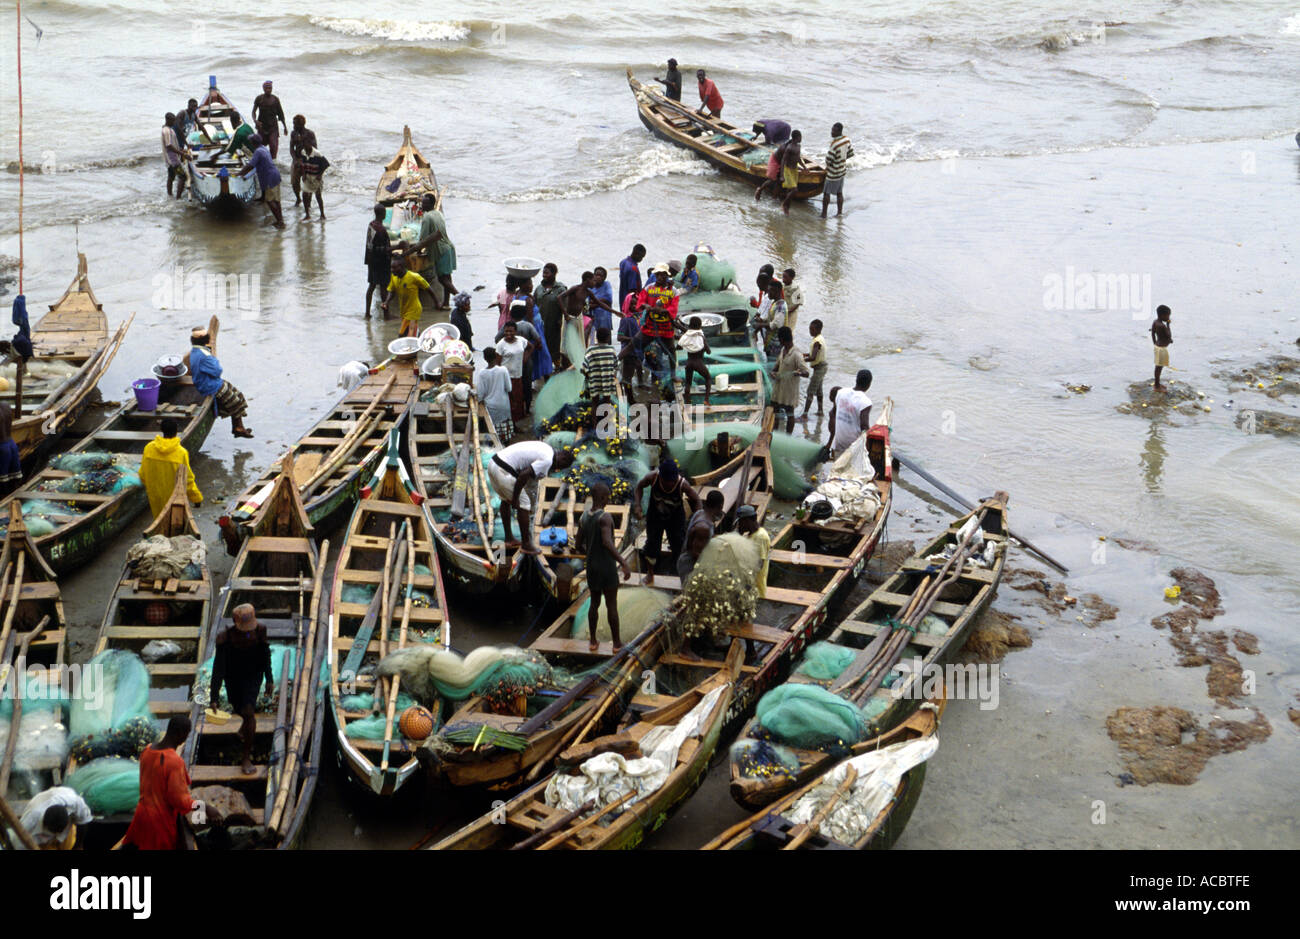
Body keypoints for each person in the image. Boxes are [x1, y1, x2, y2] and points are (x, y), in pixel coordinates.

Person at [122, 716, 198, 850]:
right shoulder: (174, 762)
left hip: (141, 817)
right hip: (159, 824)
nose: (186, 737)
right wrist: (203, 806)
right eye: (187, 733)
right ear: (180, 733)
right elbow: (179, 801)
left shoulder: (147, 750)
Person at [488, 441, 575, 553]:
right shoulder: (547, 460)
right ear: (561, 460)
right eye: (561, 467)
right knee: (524, 504)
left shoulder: (547, 448)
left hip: (493, 463)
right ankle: (526, 544)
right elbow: (523, 475)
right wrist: (515, 499)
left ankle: (509, 539)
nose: (557, 470)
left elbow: (528, 478)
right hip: (504, 470)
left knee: (505, 500)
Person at [577, 480, 632, 651]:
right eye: (607, 497)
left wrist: (590, 552)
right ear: (602, 497)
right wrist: (623, 562)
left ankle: (593, 642)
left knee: (594, 603)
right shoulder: (605, 517)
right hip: (606, 567)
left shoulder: (583, 517)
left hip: (592, 566)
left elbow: (579, 545)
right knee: (611, 605)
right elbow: (607, 542)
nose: (608, 500)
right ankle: (616, 643)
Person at [633, 458, 701, 584]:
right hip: (655, 515)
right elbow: (639, 487)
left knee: (679, 545)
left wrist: (698, 518)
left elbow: (696, 500)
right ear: (661, 477)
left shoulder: (682, 484)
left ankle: (679, 573)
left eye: (672, 481)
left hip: (675, 517)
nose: (670, 483)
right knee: (652, 545)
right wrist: (637, 505)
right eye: (667, 481)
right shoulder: (653, 477)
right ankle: (650, 574)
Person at [184, 325, 254, 438]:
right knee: (235, 401)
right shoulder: (205, 355)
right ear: (205, 339)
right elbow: (217, 371)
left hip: (207, 382)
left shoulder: (195, 351)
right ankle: (237, 427)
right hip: (209, 385)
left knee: (237, 394)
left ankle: (238, 426)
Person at [400, 193, 457, 307]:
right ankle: (446, 303)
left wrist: (413, 251)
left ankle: (460, 297)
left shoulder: (427, 217)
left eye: (425, 203)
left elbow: (422, 240)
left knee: (442, 279)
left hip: (441, 251)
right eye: (422, 202)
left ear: (431, 204)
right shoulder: (438, 213)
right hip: (449, 248)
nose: (422, 205)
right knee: (447, 277)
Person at [139, 417, 202, 517]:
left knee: (158, 520)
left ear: (162, 430)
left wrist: (152, 487)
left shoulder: (149, 448)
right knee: (175, 524)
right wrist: (196, 498)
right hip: (175, 499)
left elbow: (142, 474)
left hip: (155, 497)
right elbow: (188, 479)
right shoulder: (181, 453)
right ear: (176, 431)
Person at [497, 302, 543, 411]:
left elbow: (496, 338)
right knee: (527, 385)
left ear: (511, 314)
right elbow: (538, 340)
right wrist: (527, 355)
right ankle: (527, 408)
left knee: (510, 385)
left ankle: (512, 407)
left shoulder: (506, 326)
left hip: (510, 361)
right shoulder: (528, 325)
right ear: (524, 314)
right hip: (525, 361)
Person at [20, 787, 92, 850]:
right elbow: (18, 845)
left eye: (60, 832)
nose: (57, 834)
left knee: (69, 843)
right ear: (45, 824)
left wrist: (78, 847)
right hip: (38, 835)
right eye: (54, 832)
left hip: (62, 795)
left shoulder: (76, 803)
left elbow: (84, 821)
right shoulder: (28, 823)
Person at [239, 134, 284, 227]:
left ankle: (280, 222)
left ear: (253, 143)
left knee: (270, 201)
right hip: (275, 175)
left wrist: (240, 173)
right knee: (276, 200)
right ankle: (280, 220)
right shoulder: (263, 148)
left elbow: (250, 165)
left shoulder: (258, 152)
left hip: (269, 177)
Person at [679, 489, 725, 580]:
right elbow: (695, 553)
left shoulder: (699, 513)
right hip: (689, 567)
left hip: (691, 564)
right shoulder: (704, 528)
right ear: (720, 506)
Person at [771, 326, 810, 434]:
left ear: (783, 340)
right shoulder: (783, 350)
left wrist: (798, 373)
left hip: (789, 391)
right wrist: (773, 372)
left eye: (780, 340)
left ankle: (788, 437)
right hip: (779, 389)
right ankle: (775, 434)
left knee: (789, 414)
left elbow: (807, 373)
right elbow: (776, 366)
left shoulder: (796, 354)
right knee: (775, 412)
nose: (779, 342)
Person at [637, 264, 680, 358]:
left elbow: (674, 308)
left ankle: (673, 372)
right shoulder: (649, 288)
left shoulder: (674, 291)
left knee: (671, 350)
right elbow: (640, 302)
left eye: (662, 274)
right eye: (657, 275)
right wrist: (646, 305)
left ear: (667, 275)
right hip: (650, 326)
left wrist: (662, 310)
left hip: (665, 326)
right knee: (635, 344)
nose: (659, 277)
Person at [383, 256, 431, 339]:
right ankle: (422, 339)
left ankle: (411, 348)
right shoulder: (394, 277)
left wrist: (437, 302)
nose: (392, 270)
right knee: (411, 330)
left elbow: (428, 288)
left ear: (401, 267)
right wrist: (386, 302)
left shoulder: (414, 277)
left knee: (403, 334)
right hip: (404, 310)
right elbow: (391, 290)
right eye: (391, 267)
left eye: (394, 268)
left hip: (414, 309)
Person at [829, 369, 874, 457]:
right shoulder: (865, 402)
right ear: (869, 384)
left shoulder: (841, 392)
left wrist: (831, 438)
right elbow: (864, 427)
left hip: (839, 443)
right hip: (853, 446)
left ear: (856, 380)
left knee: (838, 468)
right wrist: (867, 449)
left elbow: (832, 413)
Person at [495, 319, 530, 422]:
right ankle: (510, 425)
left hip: (518, 376)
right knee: (509, 402)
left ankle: (515, 423)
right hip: (507, 378)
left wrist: (525, 358)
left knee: (518, 400)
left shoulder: (521, 340)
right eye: (506, 331)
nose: (508, 334)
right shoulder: (501, 345)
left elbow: (530, 347)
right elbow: (498, 364)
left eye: (511, 331)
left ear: (515, 331)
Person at [532, 263, 568, 361]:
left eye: (547, 273)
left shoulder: (561, 289)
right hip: (540, 323)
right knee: (540, 344)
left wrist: (561, 321)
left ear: (554, 274)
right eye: (543, 273)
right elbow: (533, 303)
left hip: (554, 324)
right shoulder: (539, 288)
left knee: (554, 346)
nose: (544, 275)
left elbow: (565, 307)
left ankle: (555, 365)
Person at [477, 347, 514, 442]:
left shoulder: (482, 373)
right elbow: (509, 388)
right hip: (503, 406)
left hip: (491, 408)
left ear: (485, 358)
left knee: (493, 430)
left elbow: (480, 395)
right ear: (496, 356)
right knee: (505, 433)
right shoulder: (503, 370)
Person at [735, 504, 770, 599]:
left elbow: (758, 565)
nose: (739, 525)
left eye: (741, 522)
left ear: (748, 521)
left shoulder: (760, 537)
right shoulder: (750, 535)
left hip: (755, 589)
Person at [822, 122, 855, 219]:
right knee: (839, 192)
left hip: (833, 173)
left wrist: (829, 165)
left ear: (839, 132)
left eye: (833, 131)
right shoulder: (846, 140)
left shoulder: (834, 144)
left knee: (826, 193)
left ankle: (824, 214)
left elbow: (829, 160)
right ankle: (839, 212)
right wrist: (841, 162)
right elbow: (850, 153)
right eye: (832, 130)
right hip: (842, 170)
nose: (831, 132)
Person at [364, 204, 392, 319]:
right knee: (384, 288)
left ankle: (367, 312)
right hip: (380, 262)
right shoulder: (381, 230)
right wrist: (395, 248)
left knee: (372, 285)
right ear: (383, 214)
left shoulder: (371, 225)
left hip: (371, 260)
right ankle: (386, 315)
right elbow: (381, 249)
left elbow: (372, 245)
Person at [581, 327, 619, 409]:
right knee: (607, 402)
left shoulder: (590, 350)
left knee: (594, 403)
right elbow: (616, 366)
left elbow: (583, 368)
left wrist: (588, 376)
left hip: (595, 382)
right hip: (607, 382)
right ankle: (607, 421)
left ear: (596, 337)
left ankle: (594, 422)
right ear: (608, 338)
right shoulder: (611, 350)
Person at [251, 81, 287, 159]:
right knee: (259, 146)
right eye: (266, 88)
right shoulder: (259, 98)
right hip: (262, 126)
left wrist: (285, 127)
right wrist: (255, 120)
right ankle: (259, 161)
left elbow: (281, 114)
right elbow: (253, 112)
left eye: (270, 88)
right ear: (263, 88)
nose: (268, 90)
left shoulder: (275, 99)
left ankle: (273, 162)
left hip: (273, 127)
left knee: (273, 146)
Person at [801, 318, 828, 418]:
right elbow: (813, 353)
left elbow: (813, 357)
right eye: (809, 329)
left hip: (820, 368)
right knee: (819, 390)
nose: (810, 331)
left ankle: (805, 414)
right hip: (822, 367)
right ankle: (820, 411)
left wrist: (801, 360)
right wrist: (804, 354)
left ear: (817, 330)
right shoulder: (820, 338)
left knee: (810, 390)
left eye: (812, 329)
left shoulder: (817, 342)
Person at [288, 114, 317, 206]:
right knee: (294, 183)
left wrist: (306, 161)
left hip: (308, 161)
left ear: (301, 125)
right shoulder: (293, 133)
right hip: (296, 160)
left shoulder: (310, 134)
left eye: (295, 124)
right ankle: (298, 199)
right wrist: (295, 159)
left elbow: (314, 149)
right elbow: (291, 148)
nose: (293, 126)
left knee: (308, 183)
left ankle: (308, 203)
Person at [680, 316, 711, 404]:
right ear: (700, 326)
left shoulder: (687, 336)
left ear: (690, 325)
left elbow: (682, 330)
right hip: (698, 363)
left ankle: (687, 401)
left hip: (689, 363)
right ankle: (706, 399)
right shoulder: (701, 337)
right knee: (708, 378)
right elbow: (709, 352)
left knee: (688, 383)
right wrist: (705, 347)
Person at [750, 279, 787, 352]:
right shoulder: (775, 303)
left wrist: (760, 325)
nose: (768, 293)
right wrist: (762, 320)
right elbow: (770, 317)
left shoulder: (781, 307)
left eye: (771, 291)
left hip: (776, 344)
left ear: (778, 291)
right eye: (768, 290)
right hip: (770, 341)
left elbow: (775, 325)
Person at [162, 113, 189, 199]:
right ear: (167, 120)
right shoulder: (166, 131)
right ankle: (178, 198)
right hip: (172, 159)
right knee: (183, 176)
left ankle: (169, 195)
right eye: (173, 120)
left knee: (171, 176)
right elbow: (169, 146)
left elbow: (173, 144)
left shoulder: (170, 129)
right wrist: (183, 154)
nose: (174, 122)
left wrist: (181, 150)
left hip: (171, 158)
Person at [585, 266, 617, 340]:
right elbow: (587, 304)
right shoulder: (590, 286)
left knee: (606, 338)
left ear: (604, 278)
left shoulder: (606, 285)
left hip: (604, 317)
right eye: (596, 275)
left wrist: (594, 301)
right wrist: (601, 302)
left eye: (600, 276)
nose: (598, 277)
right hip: (592, 316)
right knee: (592, 339)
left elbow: (609, 299)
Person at [298, 146, 328, 219]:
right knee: (304, 194)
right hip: (307, 175)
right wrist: (304, 174)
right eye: (304, 143)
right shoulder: (303, 151)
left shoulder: (317, 154)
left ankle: (322, 215)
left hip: (315, 177)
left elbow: (326, 164)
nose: (305, 145)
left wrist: (320, 175)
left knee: (318, 196)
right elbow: (302, 163)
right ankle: (307, 215)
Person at [779, 129, 803, 215]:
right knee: (794, 190)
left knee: (789, 190)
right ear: (797, 137)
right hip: (788, 170)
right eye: (801, 137)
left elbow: (798, 158)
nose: (801, 138)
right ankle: (784, 204)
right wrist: (782, 175)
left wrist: (804, 167)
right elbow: (783, 160)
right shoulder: (789, 148)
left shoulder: (798, 146)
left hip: (794, 170)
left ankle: (786, 208)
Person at [0, 403, 21, 496]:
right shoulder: (6, 405)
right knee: (15, 480)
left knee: (2, 483)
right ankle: (15, 498)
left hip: (2, 448)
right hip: (12, 445)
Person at [1152, 304, 1173, 392]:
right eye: (1168, 315)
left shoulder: (1155, 322)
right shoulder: (1163, 326)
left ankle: (1157, 383)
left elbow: (1153, 333)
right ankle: (1157, 386)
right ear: (1162, 315)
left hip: (1157, 346)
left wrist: (1155, 343)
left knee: (1158, 366)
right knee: (1159, 367)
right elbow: (1169, 335)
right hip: (1162, 349)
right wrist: (1168, 325)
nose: (1169, 317)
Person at [619, 244, 647, 308]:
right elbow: (633, 289)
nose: (641, 259)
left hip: (623, 298)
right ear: (636, 254)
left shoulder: (623, 262)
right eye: (641, 257)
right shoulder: (633, 268)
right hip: (631, 302)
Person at [781, 268, 803, 333]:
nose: (783, 279)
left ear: (791, 278)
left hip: (791, 313)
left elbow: (798, 302)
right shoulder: (783, 286)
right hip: (784, 310)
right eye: (783, 277)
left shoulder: (795, 288)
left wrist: (789, 310)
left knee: (789, 330)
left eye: (785, 277)